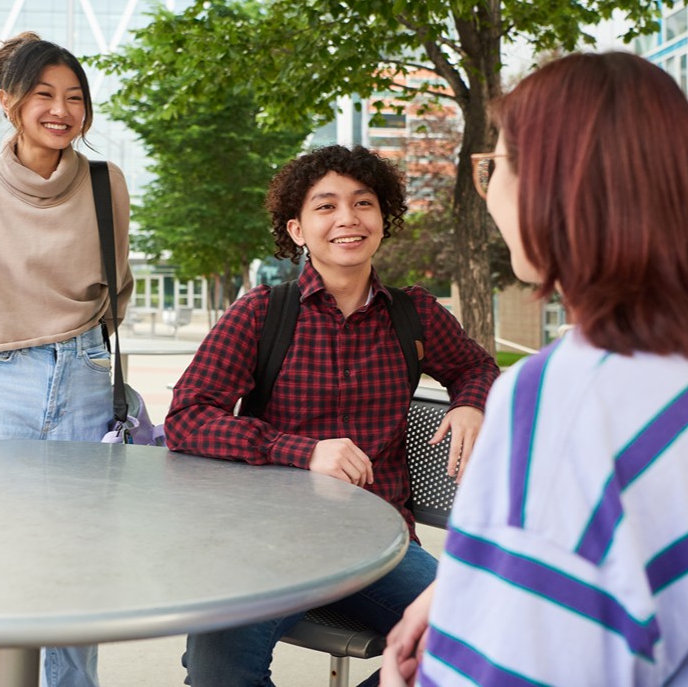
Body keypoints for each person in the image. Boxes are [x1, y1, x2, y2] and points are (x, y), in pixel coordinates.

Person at [380, 51, 688, 686]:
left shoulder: (565, 399)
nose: (488, 194)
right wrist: (469, 586)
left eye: (493, 168)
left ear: (548, 185)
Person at [165, 144, 499, 687]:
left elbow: (477, 367)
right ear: (297, 230)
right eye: (326, 207)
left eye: (363, 203)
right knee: (217, 675)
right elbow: (187, 418)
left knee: (479, 638)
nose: (348, 218)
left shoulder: (416, 315)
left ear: (382, 221)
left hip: (380, 544)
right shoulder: (261, 314)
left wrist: (470, 401)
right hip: (269, 543)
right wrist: (301, 450)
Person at [0, 32, 133, 687]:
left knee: (75, 571)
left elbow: (114, 291)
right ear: (10, 102)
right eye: (44, 95)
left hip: (87, 382)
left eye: (74, 97)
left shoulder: (105, 183)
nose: (61, 110)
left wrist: (84, 349)